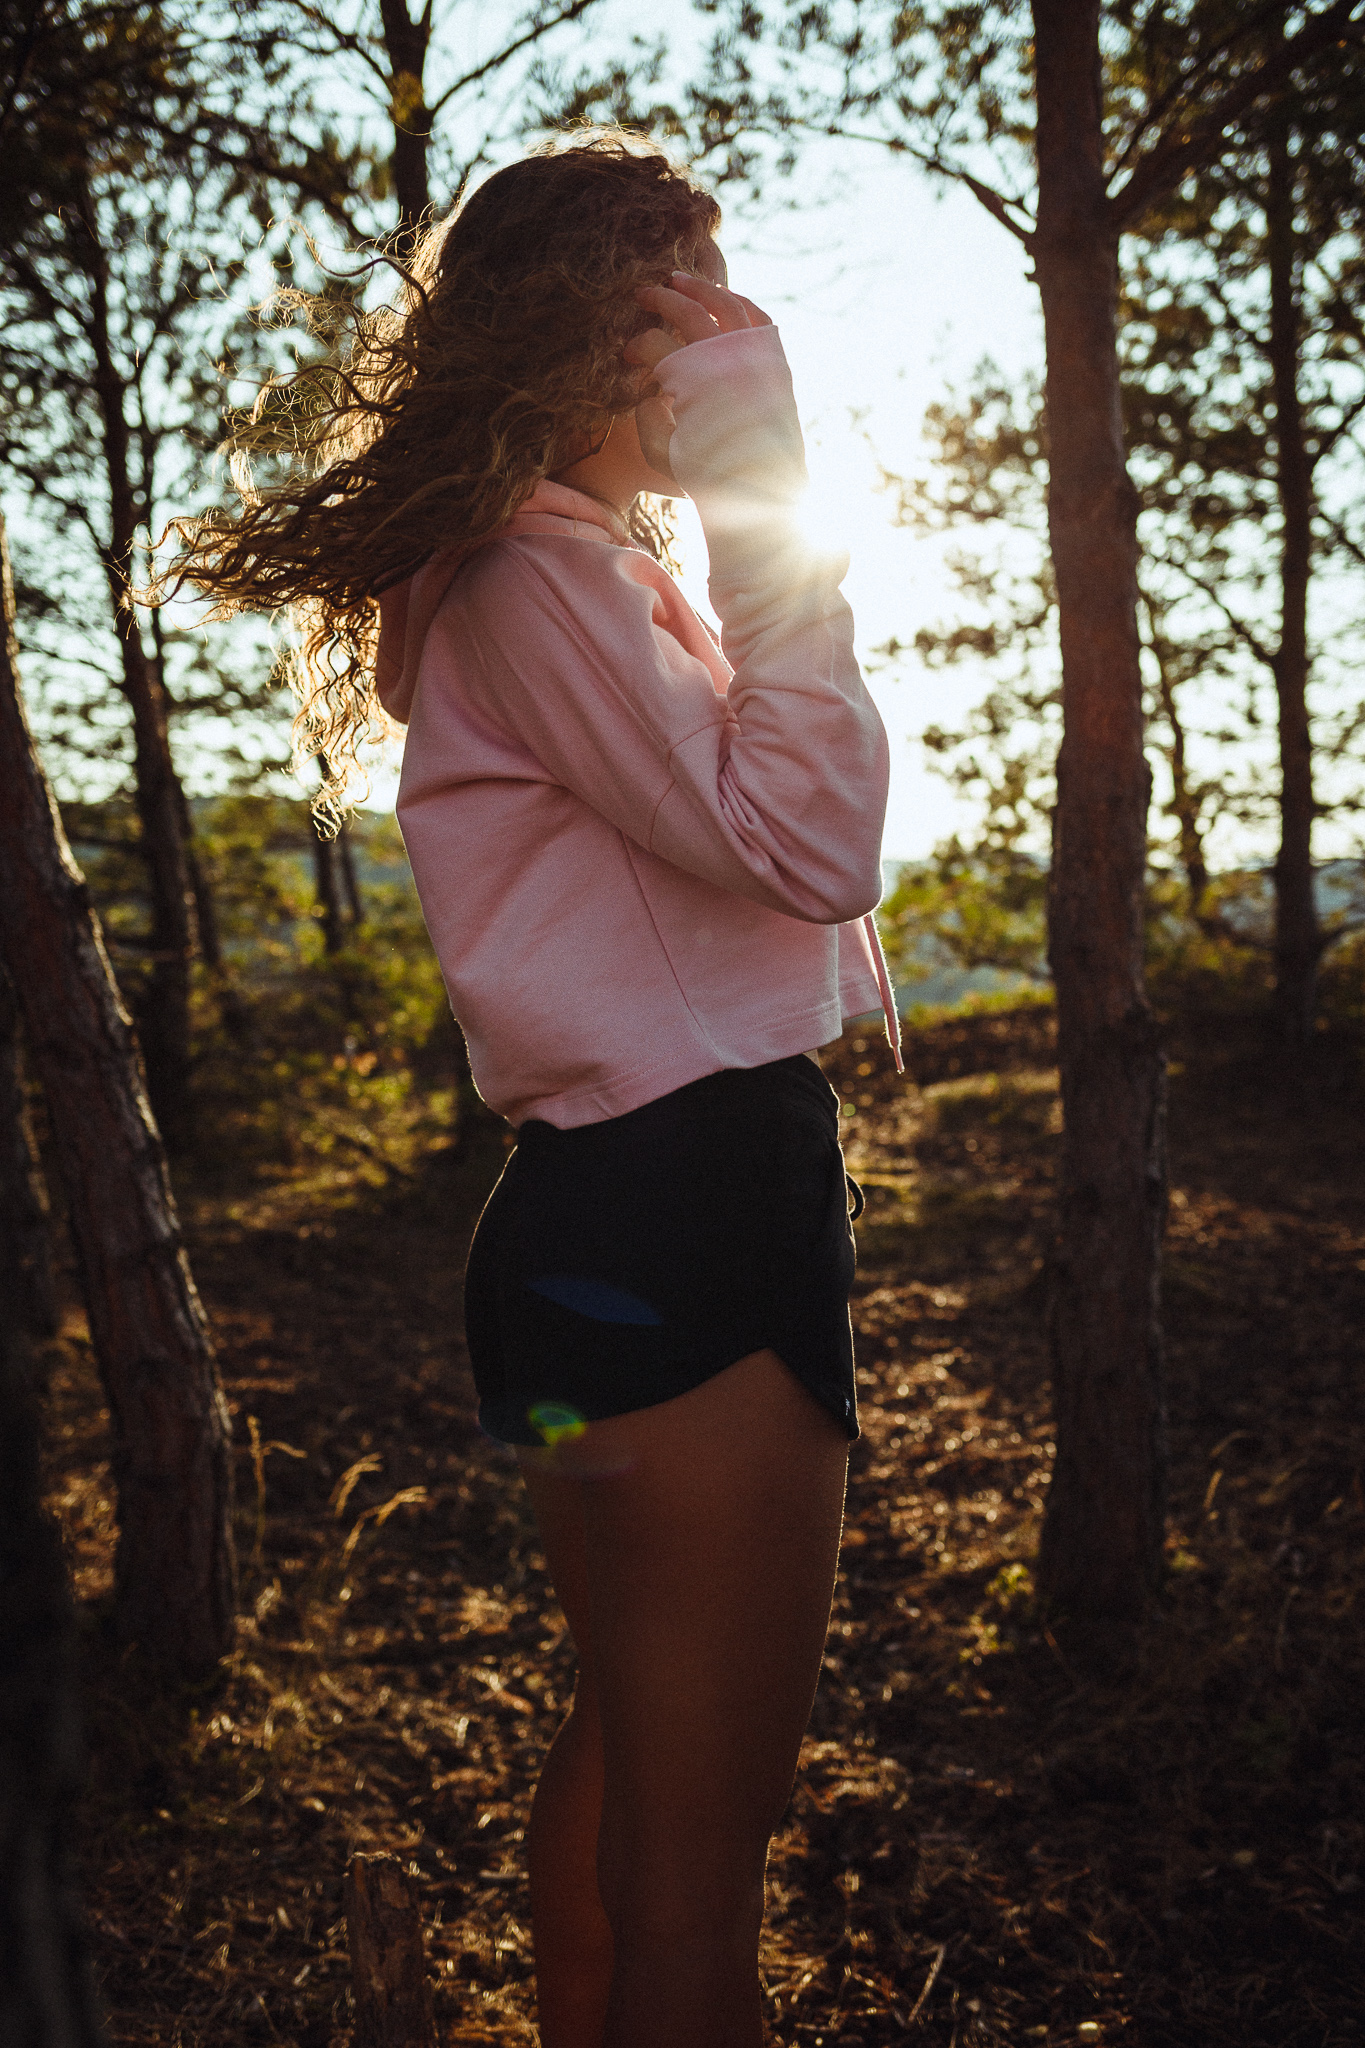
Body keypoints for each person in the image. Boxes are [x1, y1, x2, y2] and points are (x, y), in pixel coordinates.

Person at [160, 130, 901, 2048]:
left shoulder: (534, 573)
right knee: (706, 1856)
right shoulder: (534, 577)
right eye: (682, 301)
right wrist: (764, 482)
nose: (724, 331)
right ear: (577, 329)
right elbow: (811, 840)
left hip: (618, 1207)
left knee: (645, 1766)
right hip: (682, 1198)